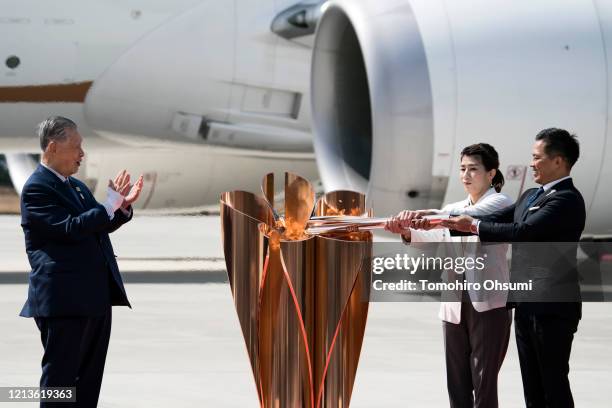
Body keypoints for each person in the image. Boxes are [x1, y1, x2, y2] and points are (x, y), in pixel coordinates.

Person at [443, 128, 584, 407]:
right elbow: (494, 219)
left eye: (537, 157)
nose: (531, 163)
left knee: (552, 384)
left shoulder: (566, 199)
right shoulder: (531, 195)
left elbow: (523, 231)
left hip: (553, 308)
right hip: (526, 305)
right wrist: (435, 222)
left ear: (558, 161)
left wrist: (472, 225)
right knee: (532, 386)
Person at [19, 116, 144, 407]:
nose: (82, 154)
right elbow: (69, 228)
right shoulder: (37, 188)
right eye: (76, 146)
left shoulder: (74, 186)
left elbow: (97, 224)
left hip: (93, 299)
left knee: (87, 383)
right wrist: (107, 205)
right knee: (60, 384)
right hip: (64, 301)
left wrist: (120, 207)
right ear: (52, 147)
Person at [386, 143, 513, 408]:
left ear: (491, 174)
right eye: (463, 169)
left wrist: (424, 215)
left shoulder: (501, 203)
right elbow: (430, 236)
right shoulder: (452, 207)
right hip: (454, 300)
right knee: (456, 383)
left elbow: (467, 218)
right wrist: (406, 229)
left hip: (488, 304)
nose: (466, 175)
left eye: (474, 169)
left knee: (484, 383)